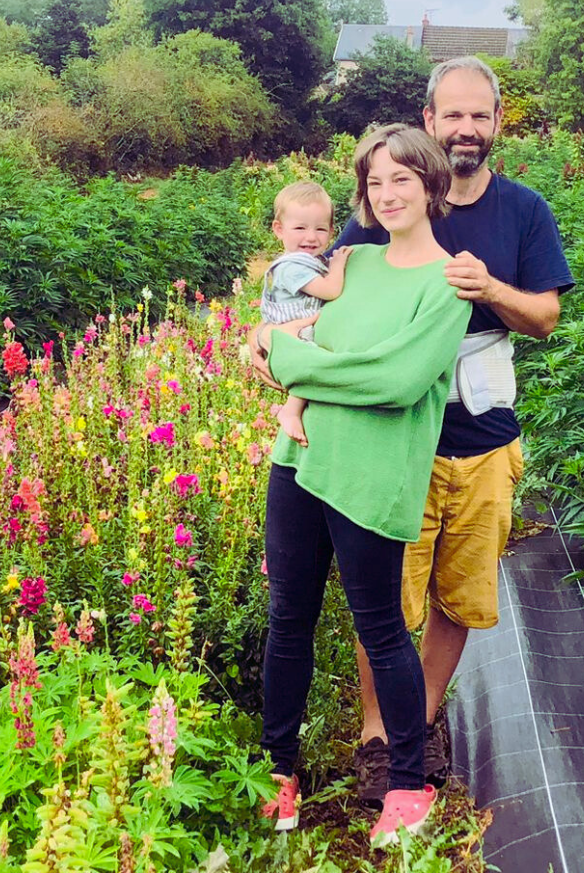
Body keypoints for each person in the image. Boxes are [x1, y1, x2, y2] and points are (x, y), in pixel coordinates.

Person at [331, 57, 573, 805]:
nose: (466, 129)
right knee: (385, 601)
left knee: (457, 597)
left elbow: (545, 318)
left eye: (481, 115)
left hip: (487, 439)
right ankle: (380, 737)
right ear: (429, 121)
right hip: (397, 439)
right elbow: (335, 298)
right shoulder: (390, 206)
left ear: (497, 125)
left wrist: (489, 288)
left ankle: (422, 719)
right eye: (452, 115)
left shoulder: (523, 210)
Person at [250, 124, 472, 846]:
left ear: (433, 185)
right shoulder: (353, 262)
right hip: (300, 460)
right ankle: (278, 769)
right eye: (376, 182)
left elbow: (395, 379)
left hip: (372, 475)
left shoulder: (450, 283)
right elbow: (297, 331)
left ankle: (408, 783)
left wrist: (288, 365)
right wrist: (278, 350)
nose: (388, 193)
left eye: (403, 178)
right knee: (290, 619)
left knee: (381, 630)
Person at [259, 180, 350, 445]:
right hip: (294, 333)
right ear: (279, 229)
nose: (311, 237)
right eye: (300, 228)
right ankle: (291, 409)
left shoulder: (307, 261)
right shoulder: (291, 267)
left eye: (320, 229)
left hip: (295, 329)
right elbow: (331, 290)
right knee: (314, 358)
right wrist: (340, 263)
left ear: (332, 231)